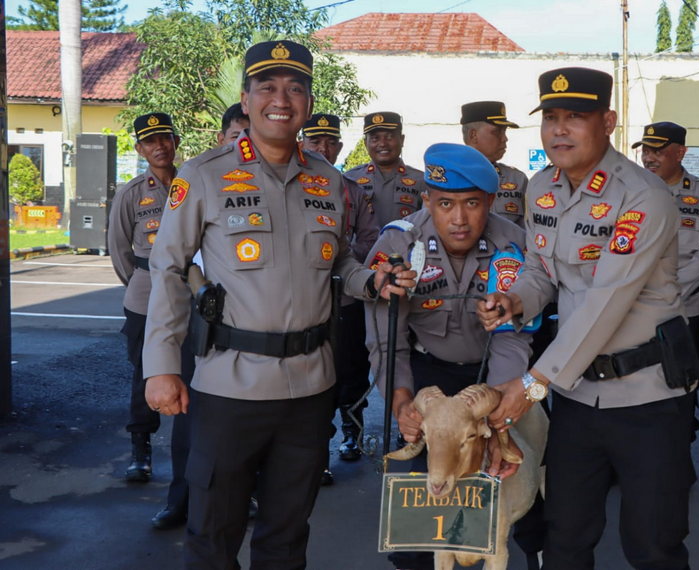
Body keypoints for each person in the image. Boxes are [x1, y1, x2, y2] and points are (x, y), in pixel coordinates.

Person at [140, 40, 414, 568]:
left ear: (308, 104)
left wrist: (372, 281)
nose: (281, 99)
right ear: (246, 99)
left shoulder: (330, 181)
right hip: (229, 387)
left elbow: (339, 266)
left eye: (295, 88)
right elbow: (169, 269)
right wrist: (160, 366)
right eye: (267, 87)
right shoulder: (203, 174)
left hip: (311, 388)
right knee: (213, 535)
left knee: (287, 537)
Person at [477, 67, 697, 570]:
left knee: (653, 544)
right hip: (577, 398)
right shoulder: (541, 187)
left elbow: (606, 302)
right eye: (551, 117)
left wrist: (532, 386)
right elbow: (540, 270)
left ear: (609, 121)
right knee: (566, 538)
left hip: (647, 399)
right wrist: (516, 301)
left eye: (575, 116)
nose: (559, 129)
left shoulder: (644, 197)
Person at [366, 142, 533, 570]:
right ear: (427, 200)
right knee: (419, 519)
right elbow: (387, 340)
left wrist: (498, 411)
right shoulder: (399, 243)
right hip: (427, 380)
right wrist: (401, 401)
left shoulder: (512, 244)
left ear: (492, 202)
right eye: (445, 204)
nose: (459, 219)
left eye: (472, 204)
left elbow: (512, 338)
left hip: (492, 378)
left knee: (519, 492)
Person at [107, 113, 195, 530]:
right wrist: (143, 283)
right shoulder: (131, 194)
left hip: (189, 291)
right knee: (145, 373)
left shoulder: (191, 182)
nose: (159, 146)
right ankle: (140, 449)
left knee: (193, 373)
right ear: (140, 149)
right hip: (144, 293)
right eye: (149, 142)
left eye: (164, 138)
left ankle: (194, 459)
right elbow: (119, 249)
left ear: (176, 141)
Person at [302, 113, 379, 483]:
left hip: (346, 298)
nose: (323, 148)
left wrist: (333, 254)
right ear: (303, 143)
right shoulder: (293, 184)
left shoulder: (353, 190)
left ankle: (351, 434)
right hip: (305, 301)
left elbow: (369, 240)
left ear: (340, 147)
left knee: (351, 372)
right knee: (311, 381)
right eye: (315, 141)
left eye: (330, 142)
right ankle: (316, 451)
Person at [636, 122, 699, 402]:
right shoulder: (629, 192)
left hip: (685, 308)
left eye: (658, 151)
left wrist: (669, 291)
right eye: (646, 151)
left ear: (680, 152)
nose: (649, 158)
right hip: (634, 307)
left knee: (684, 379)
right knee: (637, 382)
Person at [344, 112, 426, 227]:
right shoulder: (350, 179)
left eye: (389, 136)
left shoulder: (421, 181)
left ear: (402, 140)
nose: (382, 143)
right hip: (363, 245)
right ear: (365, 143)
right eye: (374, 138)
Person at [460, 101, 528, 226]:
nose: (505, 138)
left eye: (505, 132)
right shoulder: (446, 177)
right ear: (473, 135)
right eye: (497, 132)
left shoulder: (517, 179)